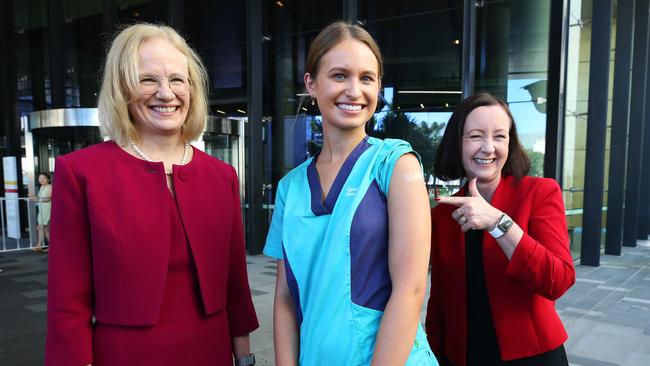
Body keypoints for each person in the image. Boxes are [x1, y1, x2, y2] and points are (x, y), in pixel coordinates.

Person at [45, 23, 258, 366]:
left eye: (177, 79)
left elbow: (236, 285)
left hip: (211, 352)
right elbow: (67, 299)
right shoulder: (81, 173)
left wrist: (244, 358)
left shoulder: (222, 176)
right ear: (122, 89)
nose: (166, 93)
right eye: (148, 80)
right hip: (124, 356)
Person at [264, 21, 438, 365]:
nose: (354, 90)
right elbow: (285, 296)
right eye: (340, 75)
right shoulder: (291, 187)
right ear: (311, 84)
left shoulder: (396, 164)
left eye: (367, 78)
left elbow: (411, 289)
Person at [426, 93, 575, 366]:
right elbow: (439, 303)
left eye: (499, 136)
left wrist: (498, 222)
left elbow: (558, 280)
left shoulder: (540, 192)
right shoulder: (443, 215)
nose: (488, 147)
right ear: (457, 143)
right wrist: (435, 356)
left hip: (533, 357)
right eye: (475, 136)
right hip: (463, 357)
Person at [31, 172, 52, 252]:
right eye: (40, 178)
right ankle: (40, 245)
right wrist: (36, 198)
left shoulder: (49, 187)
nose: (41, 180)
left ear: (48, 179)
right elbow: (40, 198)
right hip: (42, 209)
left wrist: (36, 198)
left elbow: (48, 198)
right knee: (42, 228)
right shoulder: (42, 187)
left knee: (44, 228)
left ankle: (40, 245)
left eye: (43, 178)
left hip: (47, 209)